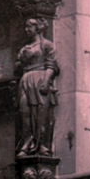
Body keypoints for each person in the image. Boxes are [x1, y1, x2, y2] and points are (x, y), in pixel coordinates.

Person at [15, 18, 59, 157]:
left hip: (40, 78)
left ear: (38, 28)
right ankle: (27, 142)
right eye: (25, 27)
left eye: (29, 27)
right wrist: (22, 59)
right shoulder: (24, 48)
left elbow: (51, 65)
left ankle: (41, 144)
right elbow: (17, 68)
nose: (26, 30)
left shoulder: (47, 45)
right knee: (24, 111)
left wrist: (46, 82)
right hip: (25, 80)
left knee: (41, 113)